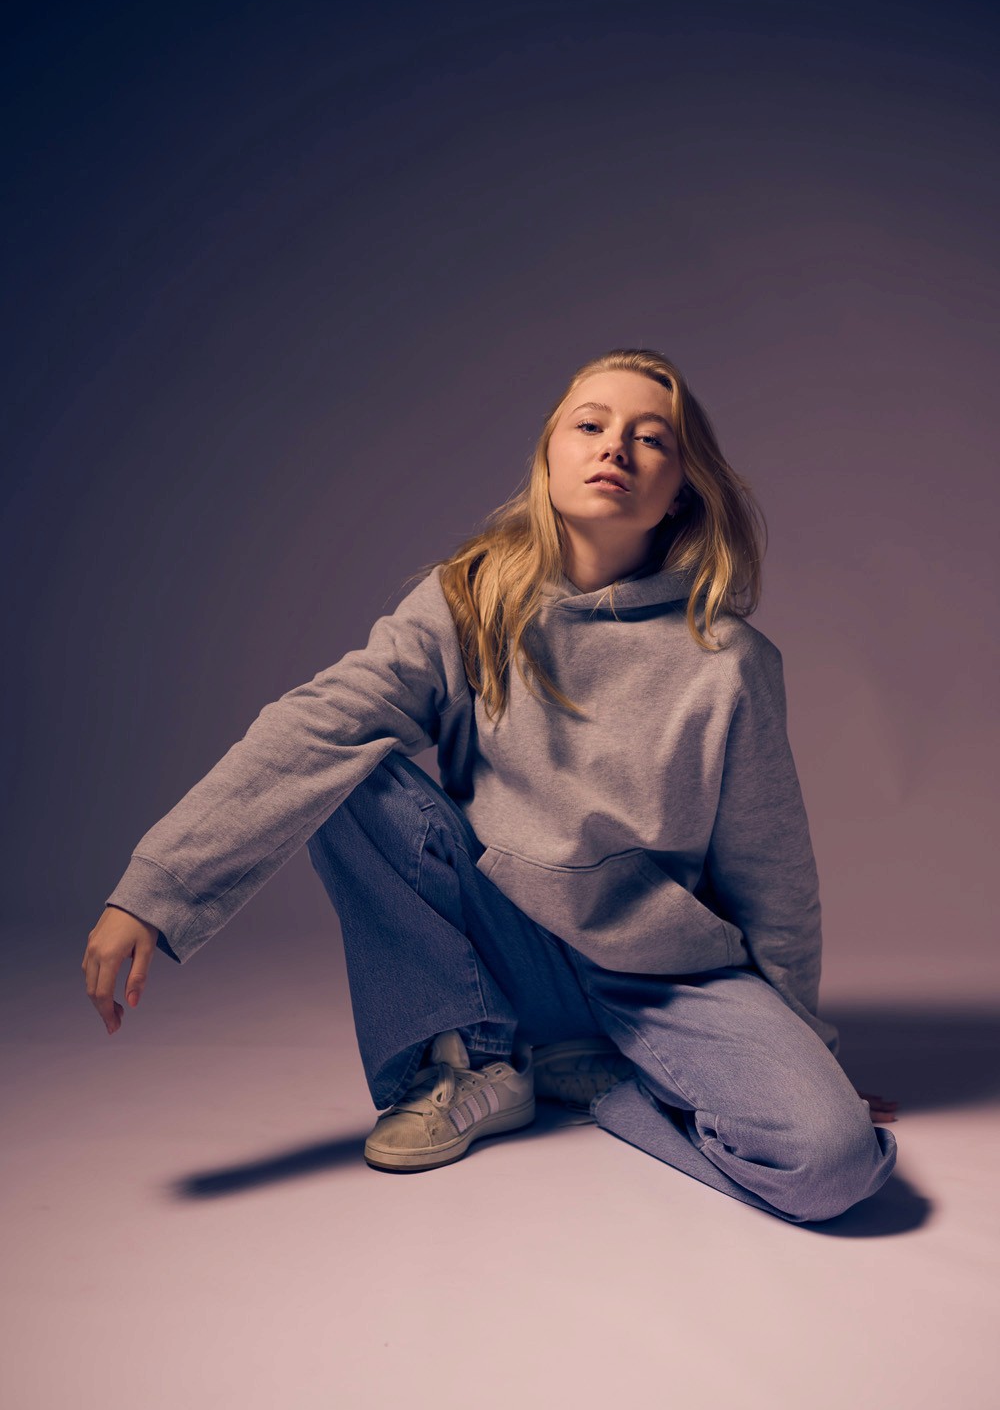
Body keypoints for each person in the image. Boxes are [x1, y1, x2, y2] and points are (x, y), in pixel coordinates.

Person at [83, 346, 899, 1224]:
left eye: (650, 438)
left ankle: (617, 1087)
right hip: (513, 943)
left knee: (830, 1167)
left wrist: (806, 1056)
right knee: (339, 767)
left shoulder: (729, 662)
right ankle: (480, 1058)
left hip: (663, 978)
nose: (614, 447)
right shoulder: (471, 600)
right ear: (549, 457)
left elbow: (772, 874)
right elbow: (316, 725)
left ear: (681, 490)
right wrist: (156, 889)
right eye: (590, 425)